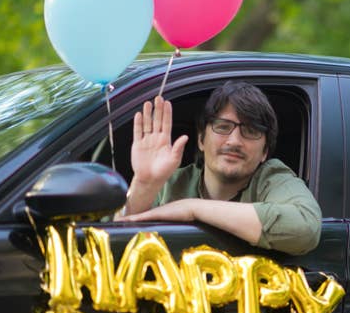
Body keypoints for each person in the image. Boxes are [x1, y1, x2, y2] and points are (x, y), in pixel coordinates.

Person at [117, 81, 321, 255]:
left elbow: (306, 229)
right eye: (223, 127)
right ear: (201, 139)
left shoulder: (272, 178)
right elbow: (116, 245)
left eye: (251, 131)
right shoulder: (170, 183)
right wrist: (144, 184)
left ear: (265, 152)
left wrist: (192, 208)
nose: (234, 141)